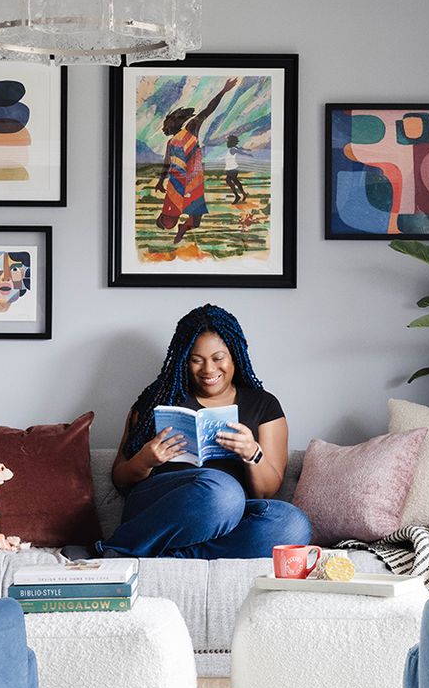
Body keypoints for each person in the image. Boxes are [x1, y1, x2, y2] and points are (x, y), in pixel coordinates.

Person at [92, 304, 311, 560]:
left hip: (231, 512)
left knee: (293, 524)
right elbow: (121, 480)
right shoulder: (157, 400)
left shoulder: (263, 405)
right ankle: (126, 544)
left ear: (235, 356)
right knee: (222, 492)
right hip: (161, 508)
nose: (208, 370)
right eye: (196, 360)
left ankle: (167, 556)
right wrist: (146, 460)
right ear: (184, 359)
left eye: (218, 358)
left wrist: (252, 454)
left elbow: (266, 493)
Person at [155, 78, 239, 245]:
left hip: (185, 181)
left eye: (166, 125)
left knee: (192, 220)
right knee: (178, 220)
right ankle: (172, 223)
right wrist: (159, 182)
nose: (165, 128)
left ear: (174, 123)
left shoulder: (190, 128)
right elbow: (167, 163)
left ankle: (181, 228)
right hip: (185, 181)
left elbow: (208, 109)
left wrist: (223, 91)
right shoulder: (173, 141)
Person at [223, 133, 254, 204]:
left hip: (232, 169)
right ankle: (243, 194)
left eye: (228, 142)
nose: (227, 143)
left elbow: (239, 151)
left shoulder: (233, 149)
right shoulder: (233, 148)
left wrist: (247, 154)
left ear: (231, 142)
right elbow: (240, 149)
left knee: (230, 181)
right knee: (234, 181)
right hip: (231, 168)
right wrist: (247, 150)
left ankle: (238, 196)